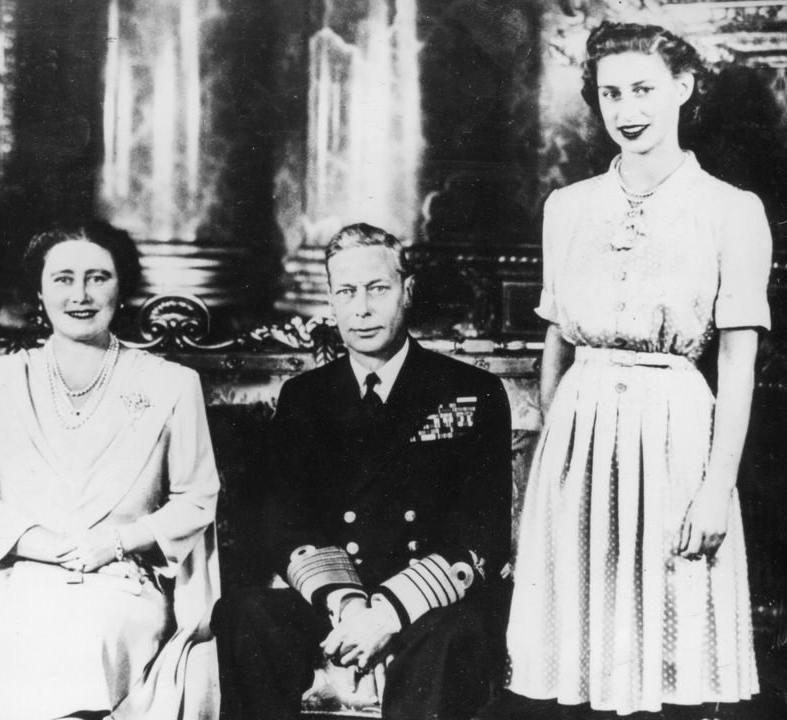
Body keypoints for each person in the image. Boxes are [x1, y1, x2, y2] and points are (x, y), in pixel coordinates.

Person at [499, 22, 768, 718]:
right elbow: (556, 342)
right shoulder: (568, 208)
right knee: (578, 650)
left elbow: (737, 364)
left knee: (664, 645)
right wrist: (551, 455)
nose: (626, 109)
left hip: (674, 433)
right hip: (579, 438)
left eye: (643, 89)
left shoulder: (731, 211)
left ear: (682, 89)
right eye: (610, 92)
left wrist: (716, 487)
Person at [211, 223, 513, 720]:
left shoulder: (469, 391)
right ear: (331, 300)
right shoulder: (305, 398)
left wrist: (387, 613)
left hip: (429, 606)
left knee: (448, 637)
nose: (362, 308)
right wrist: (350, 609)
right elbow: (285, 524)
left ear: (406, 292)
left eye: (378, 289)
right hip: (340, 599)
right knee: (245, 614)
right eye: (346, 292)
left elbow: (481, 534)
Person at [0, 223, 222, 720]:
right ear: (39, 290)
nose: (80, 295)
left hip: (119, 580)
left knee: (85, 636)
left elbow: (197, 499)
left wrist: (118, 542)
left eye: (97, 277)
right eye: (63, 279)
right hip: (20, 575)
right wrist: (41, 543)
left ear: (121, 287)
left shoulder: (172, 383)